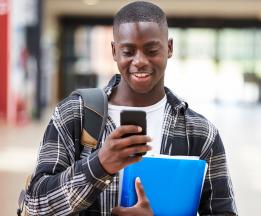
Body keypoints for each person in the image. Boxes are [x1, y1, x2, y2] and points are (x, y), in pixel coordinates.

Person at [25, 1, 237, 215]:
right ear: (114, 51)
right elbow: (35, 205)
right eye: (128, 51)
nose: (140, 61)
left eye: (152, 50)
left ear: (170, 48)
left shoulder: (200, 132)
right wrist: (99, 164)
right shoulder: (74, 114)